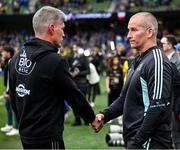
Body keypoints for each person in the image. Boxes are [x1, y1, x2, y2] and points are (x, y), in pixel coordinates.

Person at [8, 6, 97, 149]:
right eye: (62, 28)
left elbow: (13, 98)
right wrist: (92, 118)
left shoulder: (15, 58)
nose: (64, 34)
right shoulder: (55, 61)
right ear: (51, 28)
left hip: (26, 136)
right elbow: (73, 95)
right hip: (47, 137)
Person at [91, 12, 174, 149]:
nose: (129, 35)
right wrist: (104, 115)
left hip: (150, 144)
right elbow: (125, 98)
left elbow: (158, 108)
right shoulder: (136, 61)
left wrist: (137, 141)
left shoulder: (157, 61)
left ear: (149, 32)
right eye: (129, 30)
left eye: (134, 30)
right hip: (136, 142)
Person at [161, 34, 180, 149]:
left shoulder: (177, 59)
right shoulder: (162, 58)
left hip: (175, 98)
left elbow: (177, 81)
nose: (161, 45)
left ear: (170, 45)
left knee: (176, 130)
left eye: (163, 43)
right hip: (164, 98)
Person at [0, 46, 19, 136]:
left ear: (8, 52)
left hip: (12, 90)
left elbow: (10, 79)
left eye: (4, 52)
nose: (2, 53)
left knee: (14, 108)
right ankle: (9, 124)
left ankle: (16, 127)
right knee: (8, 106)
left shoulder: (12, 61)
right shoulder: (8, 61)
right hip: (9, 89)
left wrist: (8, 92)